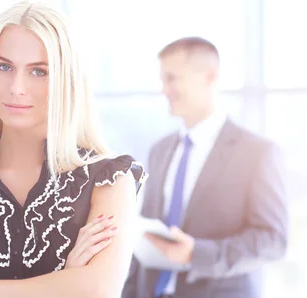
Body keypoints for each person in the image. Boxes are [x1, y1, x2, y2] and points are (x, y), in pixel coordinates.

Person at [0, 2, 148, 298]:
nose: (17, 87)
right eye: (4, 66)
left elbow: (98, 289)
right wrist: (65, 284)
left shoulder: (109, 180)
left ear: (66, 78)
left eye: (39, 71)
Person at [122, 37, 288, 298]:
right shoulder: (160, 151)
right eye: (163, 80)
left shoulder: (257, 153)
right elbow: (144, 240)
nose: (164, 90)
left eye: (172, 78)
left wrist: (197, 253)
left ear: (209, 77)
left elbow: (272, 240)